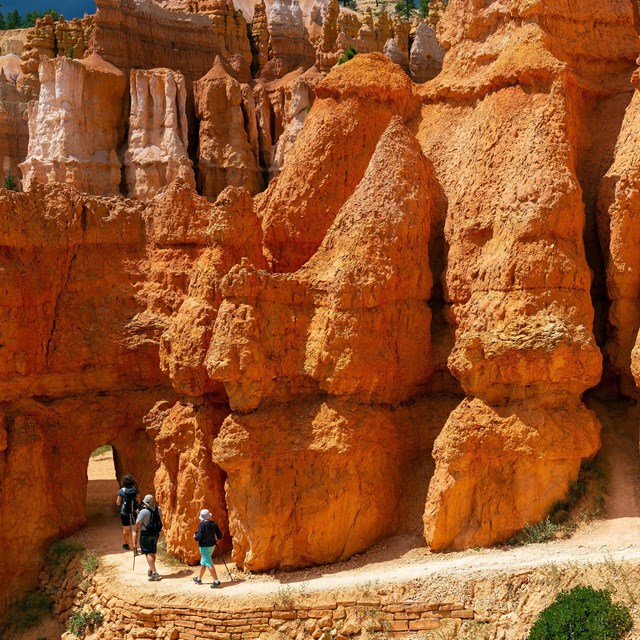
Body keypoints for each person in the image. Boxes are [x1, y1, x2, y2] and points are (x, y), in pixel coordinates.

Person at [134, 494, 163, 581]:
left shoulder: (144, 511)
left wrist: (139, 514)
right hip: (155, 533)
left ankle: (154, 573)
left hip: (146, 533)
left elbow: (137, 523)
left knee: (147, 553)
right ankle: (150, 569)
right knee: (152, 552)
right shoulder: (158, 510)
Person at [193, 508, 223, 588]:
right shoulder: (214, 524)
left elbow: (198, 537)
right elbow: (220, 536)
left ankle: (216, 581)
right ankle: (199, 579)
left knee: (209, 563)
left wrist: (195, 536)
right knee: (204, 562)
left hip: (204, 547)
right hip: (212, 546)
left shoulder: (201, 525)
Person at [115, 474, 139, 550]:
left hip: (124, 513)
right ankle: (135, 547)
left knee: (126, 529)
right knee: (134, 530)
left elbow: (118, 503)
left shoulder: (121, 491)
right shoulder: (135, 490)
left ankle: (126, 545)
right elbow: (138, 501)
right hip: (134, 512)